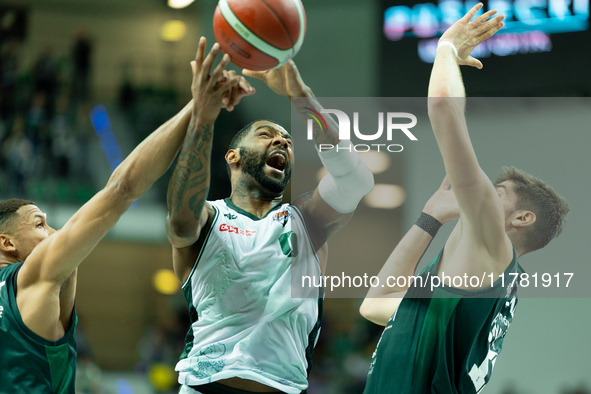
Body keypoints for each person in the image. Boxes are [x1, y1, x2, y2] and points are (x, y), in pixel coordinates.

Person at [0, 41, 250, 393]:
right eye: (40, 224)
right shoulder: (30, 278)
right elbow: (123, 189)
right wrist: (198, 106)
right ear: (7, 243)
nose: (55, 231)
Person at [360, 4, 569, 393]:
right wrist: (429, 219)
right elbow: (376, 305)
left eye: (498, 192)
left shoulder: (493, 245)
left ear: (521, 218)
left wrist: (446, 51)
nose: (483, 194)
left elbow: (442, 107)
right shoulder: (475, 284)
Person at [166, 40, 375, 393]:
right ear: (232, 157)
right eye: (266, 135)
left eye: (288, 141)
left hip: (284, 386)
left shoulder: (306, 219)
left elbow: (356, 179)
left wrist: (301, 96)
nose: (281, 142)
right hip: (207, 384)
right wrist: (203, 116)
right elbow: (179, 219)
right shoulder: (208, 217)